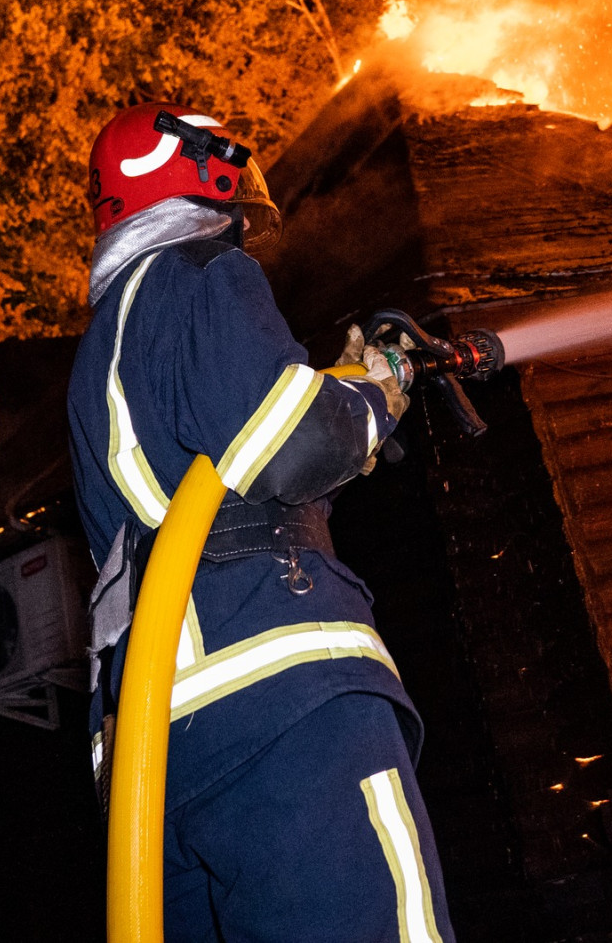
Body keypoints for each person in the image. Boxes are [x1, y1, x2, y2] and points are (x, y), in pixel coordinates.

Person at [67, 101, 455, 942]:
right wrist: (379, 389)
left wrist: (341, 409)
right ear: (194, 172)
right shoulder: (202, 273)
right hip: (282, 699)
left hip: (157, 754)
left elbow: (229, 496)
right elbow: (290, 446)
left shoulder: (104, 346)